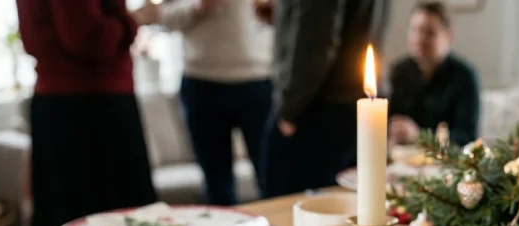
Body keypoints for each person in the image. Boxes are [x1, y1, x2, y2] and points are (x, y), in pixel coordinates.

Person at [16, 0, 157, 226]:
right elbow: (88, 37)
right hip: (92, 104)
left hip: (66, 101)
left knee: (69, 224)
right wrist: (136, 19)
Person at [133, 0, 273, 205]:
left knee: (270, 173)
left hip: (259, 80)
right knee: (217, 181)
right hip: (202, 84)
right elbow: (163, 17)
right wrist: (195, 7)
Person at [258, 0, 392, 198]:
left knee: (286, 207)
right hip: (350, 104)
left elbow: (316, 40)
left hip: (315, 107)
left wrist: (289, 108)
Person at [388, 2, 479, 146]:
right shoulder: (399, 71)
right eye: (415, 30)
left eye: (429, 32)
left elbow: (466, 136)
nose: (420, 38)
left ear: (448, 36)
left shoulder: (464, 76)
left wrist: (419, 136)